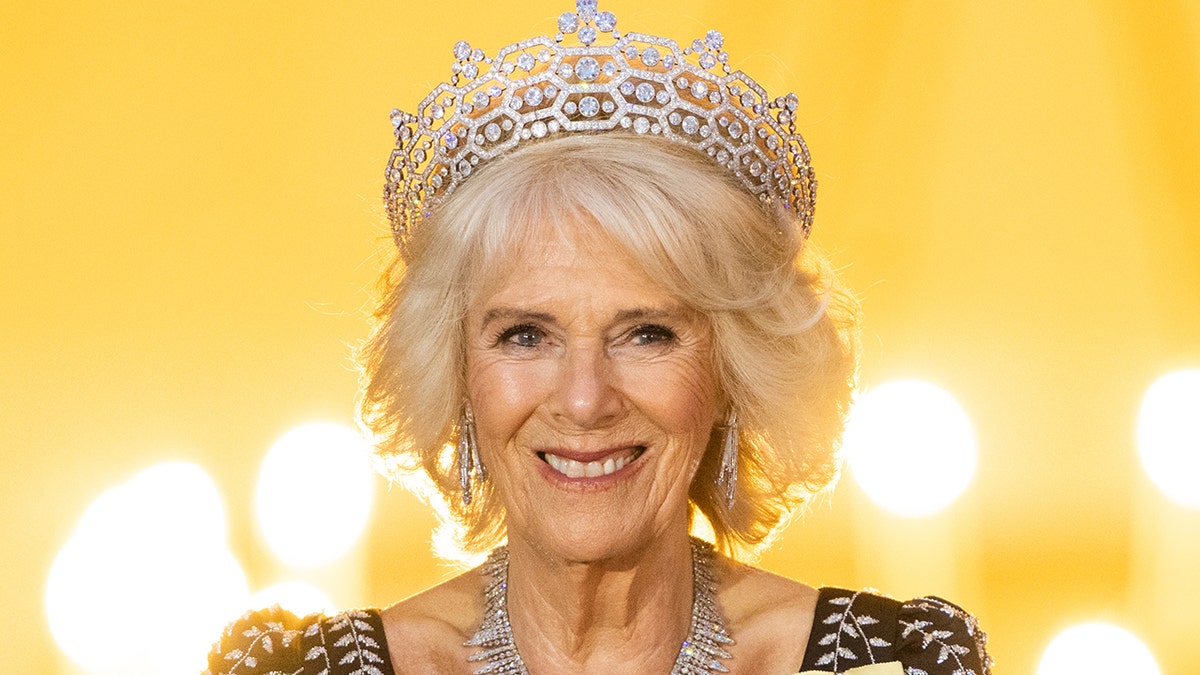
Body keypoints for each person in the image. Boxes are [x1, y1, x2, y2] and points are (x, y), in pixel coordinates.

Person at [207, 2, 992, 673]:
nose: (585, 399)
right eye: (524, 336)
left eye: (647, 333)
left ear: (732, 374)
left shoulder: (898, 661)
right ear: (456, 375)